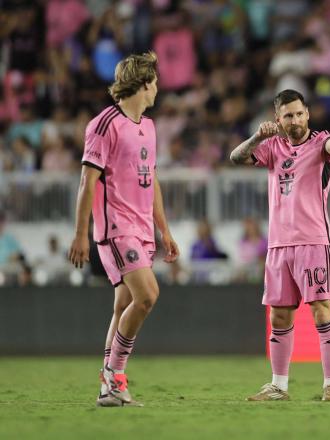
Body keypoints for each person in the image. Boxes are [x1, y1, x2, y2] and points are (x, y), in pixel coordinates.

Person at [68, 51, 180, 407]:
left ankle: (108, 387)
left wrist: (164, 230)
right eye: (155, 82)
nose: (158, 88)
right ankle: (114, 378)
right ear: (143, 84)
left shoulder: (148, 126)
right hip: (116, 228)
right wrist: (80, 234)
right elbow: (87, 183)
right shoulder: (103, 125)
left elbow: (152, 180)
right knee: (148, 296)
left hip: (143, 229)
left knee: (124, 306)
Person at [230, 89, 330, 401]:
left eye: (299, 113)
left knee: (322, 310)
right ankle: (279, 387)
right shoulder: (272, 147)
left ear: (307, 113)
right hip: (278, 246)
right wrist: (257, 136)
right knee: (279, 316)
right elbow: (236, 157)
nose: (295, 120)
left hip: (313, 242)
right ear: (278, 119)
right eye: (288, 115)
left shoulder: (320, 142)